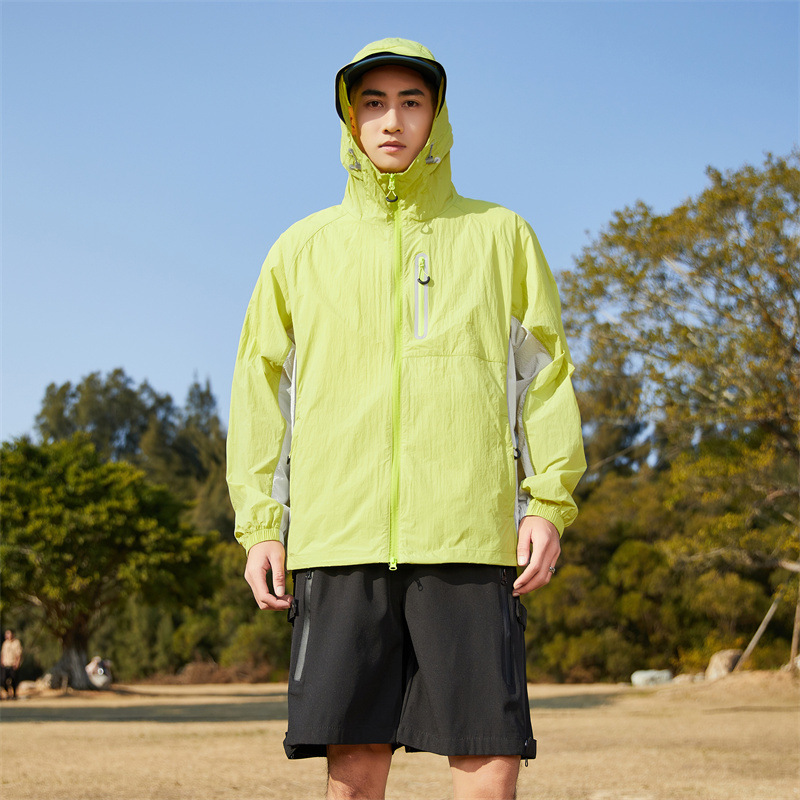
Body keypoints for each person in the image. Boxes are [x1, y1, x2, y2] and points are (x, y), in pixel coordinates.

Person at [227, 38, 586, 800]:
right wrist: (261, 524)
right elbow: (260, 392)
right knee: (354, 773)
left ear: (438, 117)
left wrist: (547, 505)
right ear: (350, 120)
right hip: (339, 539)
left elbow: (546, 378)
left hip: (468, 537)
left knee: (489, 763)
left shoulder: (502, 235)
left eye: (411, 102)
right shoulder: (300, 250)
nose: (392, 120)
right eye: (373, 103)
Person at [1, 629, 23, 700]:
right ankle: (7, 693)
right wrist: (2, 661)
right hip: (5, 664)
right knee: (3, 680)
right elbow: (2, 653)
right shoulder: (5, 643)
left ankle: (14, 695)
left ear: (12, 634)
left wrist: (17, 663)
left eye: (8, 633)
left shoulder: (16, 643)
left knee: (13, 680)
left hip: (13, 664)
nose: (7, 635)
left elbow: (18, 654)